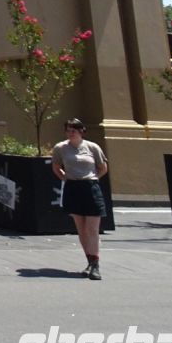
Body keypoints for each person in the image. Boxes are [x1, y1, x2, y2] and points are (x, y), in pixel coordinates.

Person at [52, 118, 109, 280]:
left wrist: (93, 178)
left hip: (90, 187)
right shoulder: (61, 148)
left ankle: (96, 264)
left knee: (92, 228)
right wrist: (66, 178)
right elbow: (56, 167)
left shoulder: (92, 147)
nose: (71, 133)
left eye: (74, 130)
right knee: (81, 228)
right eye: (68, 130)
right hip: (73, 187)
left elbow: (103, 167)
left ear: (81, 131)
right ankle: (89, 261)